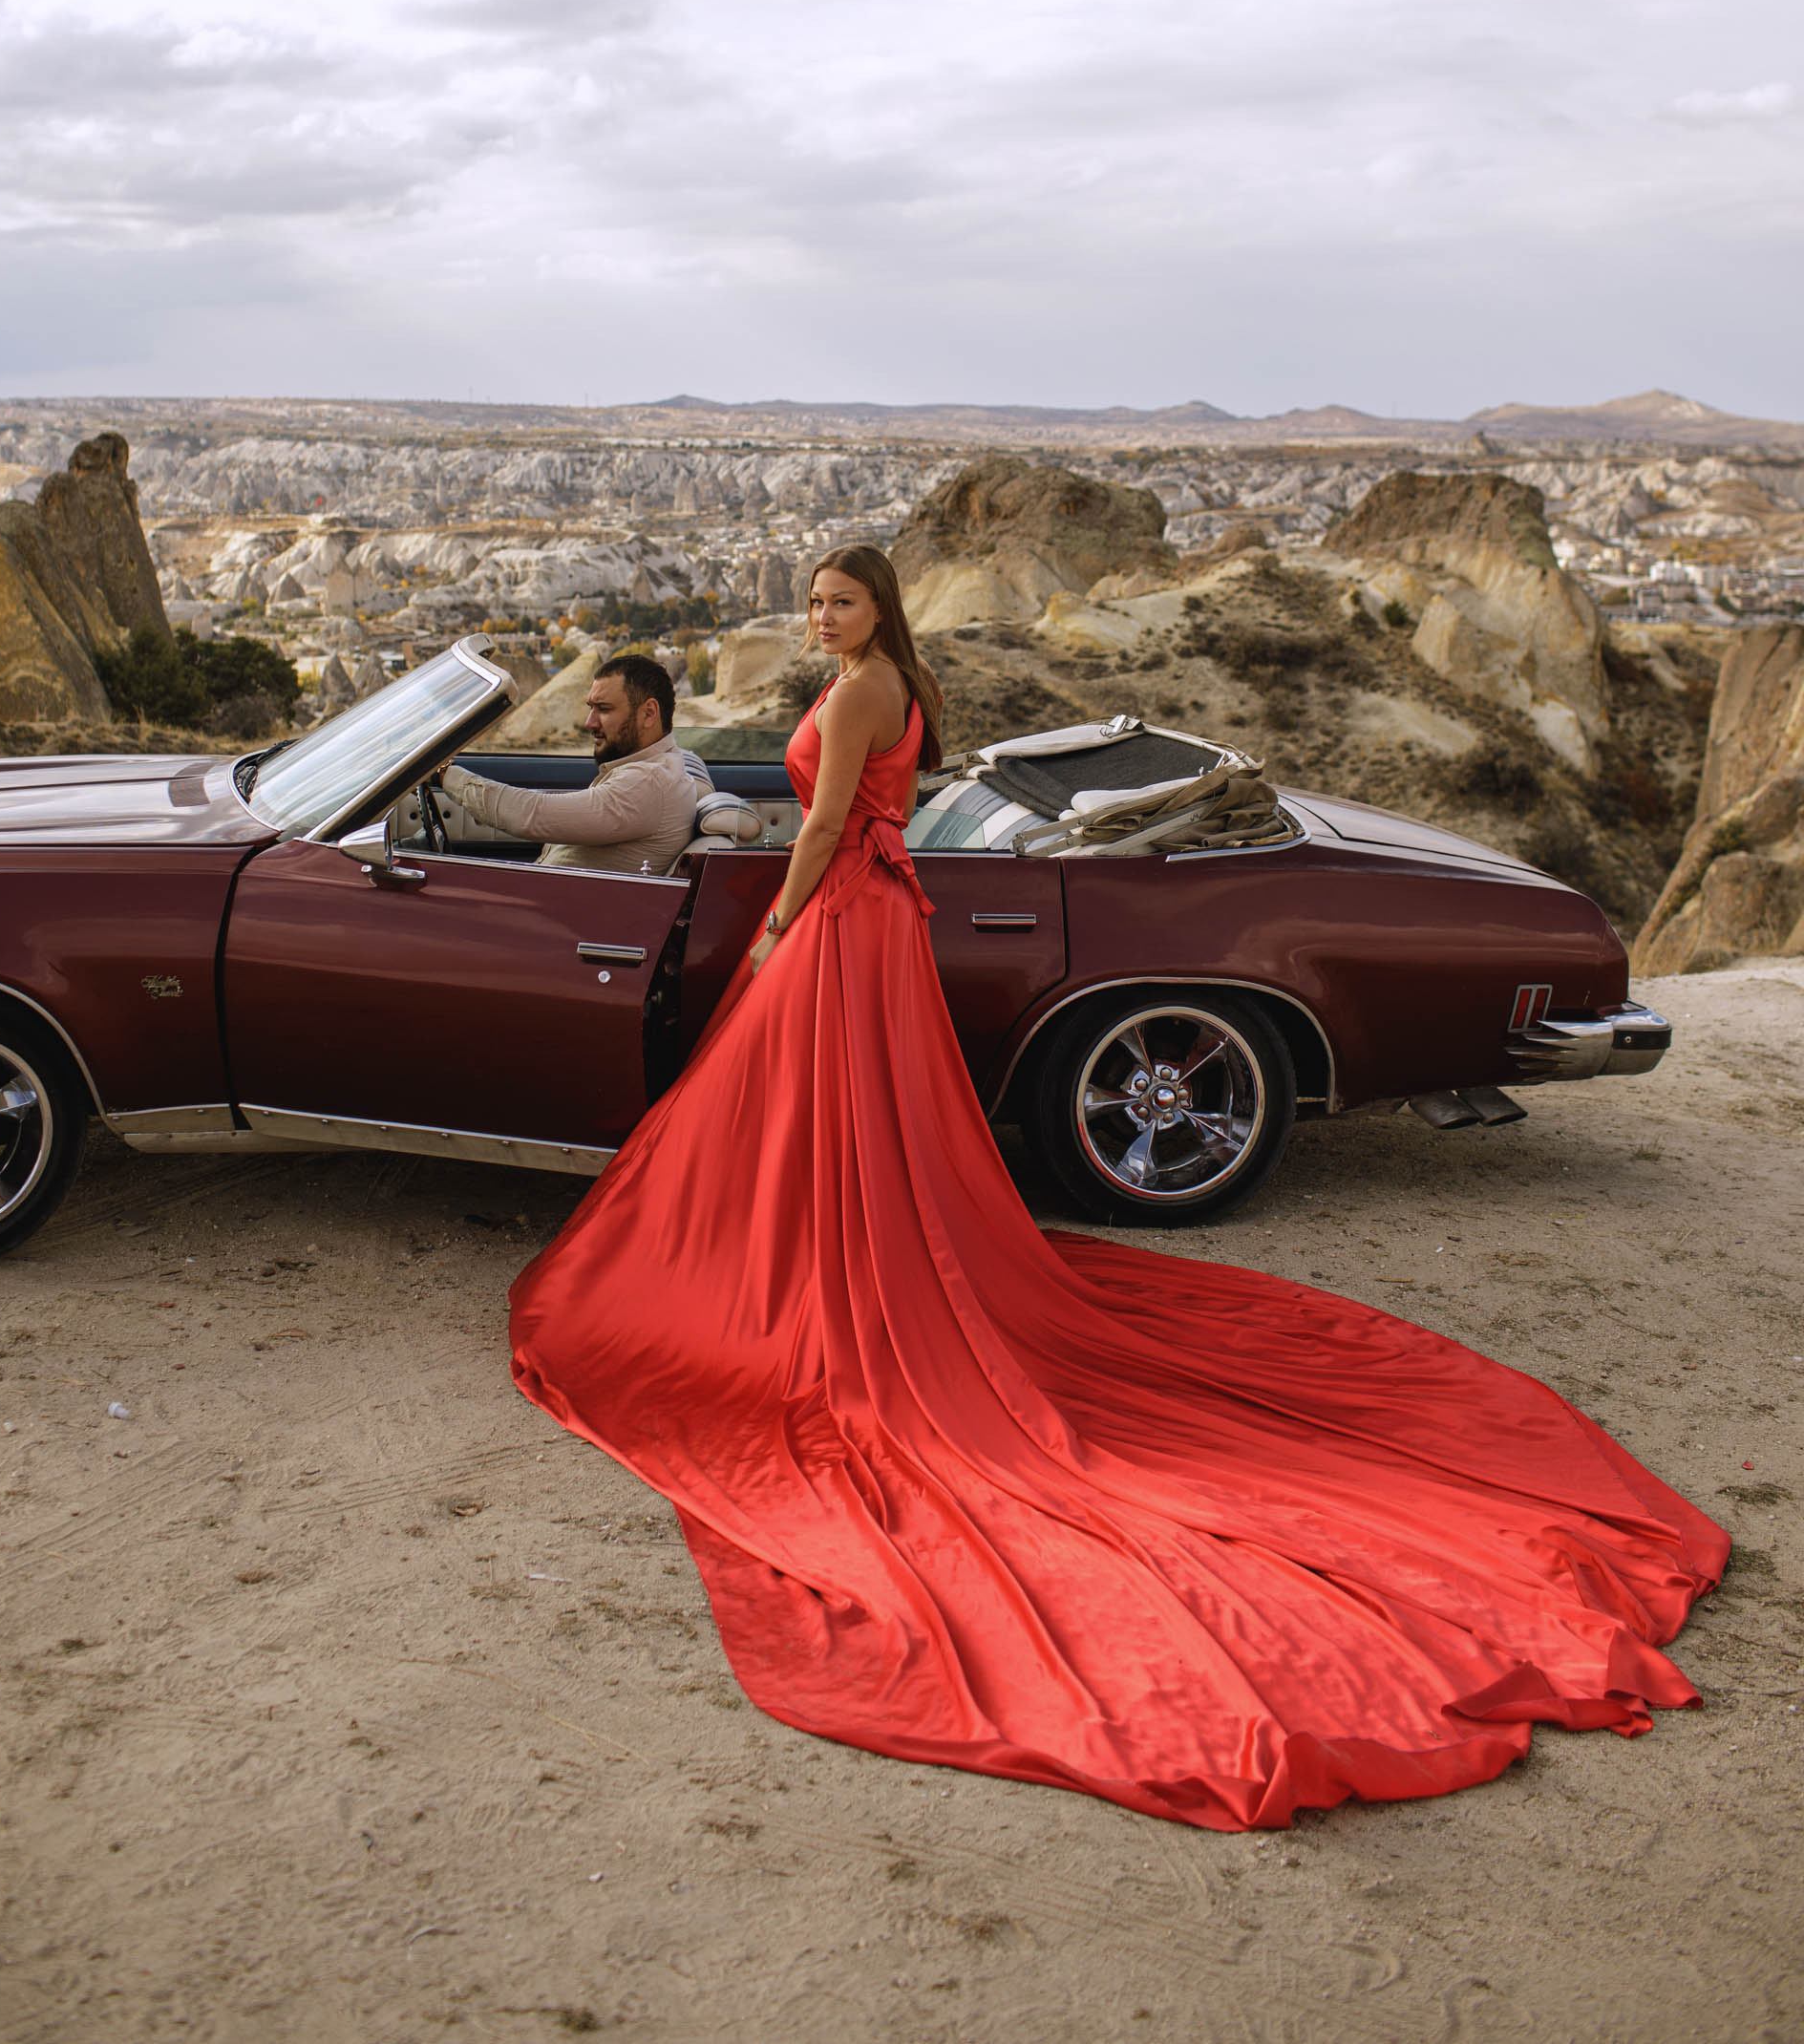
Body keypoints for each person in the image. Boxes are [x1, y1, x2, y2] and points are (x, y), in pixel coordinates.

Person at [506, 547, 1726, 1832]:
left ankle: (817, 1262)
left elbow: (821, 823)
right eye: (814, 602)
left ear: (879, 611)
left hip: (845, 914)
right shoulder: (887, 679)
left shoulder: (865, 688)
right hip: (880, 908)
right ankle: (835, 1238)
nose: (822, 618)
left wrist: (772, 922)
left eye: (841, 601)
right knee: (854, 1116)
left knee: (824, 1107)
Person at [439, 650, 711, 876]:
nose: (589, 723)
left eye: (603, 709)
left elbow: (534, 815)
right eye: (590, 708)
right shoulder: (651, 771)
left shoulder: (649, 783)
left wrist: (445, 775)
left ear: (649, 714)